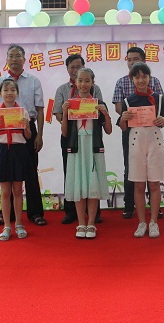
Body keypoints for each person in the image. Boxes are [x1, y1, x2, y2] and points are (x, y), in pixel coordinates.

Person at [0, 44, 47, 226]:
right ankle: (7, 215)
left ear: (24, 59)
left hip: (27, 129)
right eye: (11, 56)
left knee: (30, 172)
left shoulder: (33, 81)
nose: (14, 59)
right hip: (4, 134)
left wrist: (39, 135)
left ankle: (35, 213)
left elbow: (40, 110)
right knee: (7, 175)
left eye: (18, 56)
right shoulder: (0, 82)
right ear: (6, 60)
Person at [112, 46, 164, 220]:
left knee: (153, 171)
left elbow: (161, 107)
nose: (132, 62)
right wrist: (129, 115)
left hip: (151, 132)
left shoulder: (155, 81)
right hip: (131, 132)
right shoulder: (121, 82)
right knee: (131, 170)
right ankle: (129, 205)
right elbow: (119, 108)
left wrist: (159, 118)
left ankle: (155, 207)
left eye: (136, 59)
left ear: (144, 60)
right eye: (129, 59)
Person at [119, 62, 164, 238]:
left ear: (149, 78)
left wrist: (163, 120)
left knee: (154, 183)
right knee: (139, 185)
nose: (141, 80)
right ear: (132, 79)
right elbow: (124, 128)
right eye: (137, 77)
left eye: (144, 76)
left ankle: (154, 221)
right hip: (135, 142)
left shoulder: (159, 99)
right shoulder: (128, 101)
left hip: (155, 141)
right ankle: (142, 222)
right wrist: (123, 118)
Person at [61, 68, 112, 239]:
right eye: (80, 80)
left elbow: (109, 130)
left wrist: (105, 113)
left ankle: (91, 223)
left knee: (93, 185)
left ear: (92, 83)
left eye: (87, 81)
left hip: (93, 147)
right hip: (77, 148)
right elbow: (65, 133)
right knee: (78, 185)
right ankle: (81, 223)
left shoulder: (98, 104)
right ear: (75, 82)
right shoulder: (70, 104)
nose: (83, 84)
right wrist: (65, 113)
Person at [53, 54, 104, 225]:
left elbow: (99, 109)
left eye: (78, 66)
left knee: (92, 173)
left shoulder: (95, 88)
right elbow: (58, 114)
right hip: (70, 136)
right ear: (67, 69)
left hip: (90, 136)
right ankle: (71, 212)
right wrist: (70, 117)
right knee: (72, 173)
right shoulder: (62, 89)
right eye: (72, 67)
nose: (75, 70)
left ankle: (94, 214)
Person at [0, 78, 32, 241]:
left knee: (18, 191)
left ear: (17, 93)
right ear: (0, 93)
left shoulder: (23, 112)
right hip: (2, 151)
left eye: (12, 90)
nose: (9, 93)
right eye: (6, 90)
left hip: (18, 151)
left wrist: (26, 127)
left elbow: (27, 136)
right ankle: (7, 225)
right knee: (5, 192)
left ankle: (19, 224)